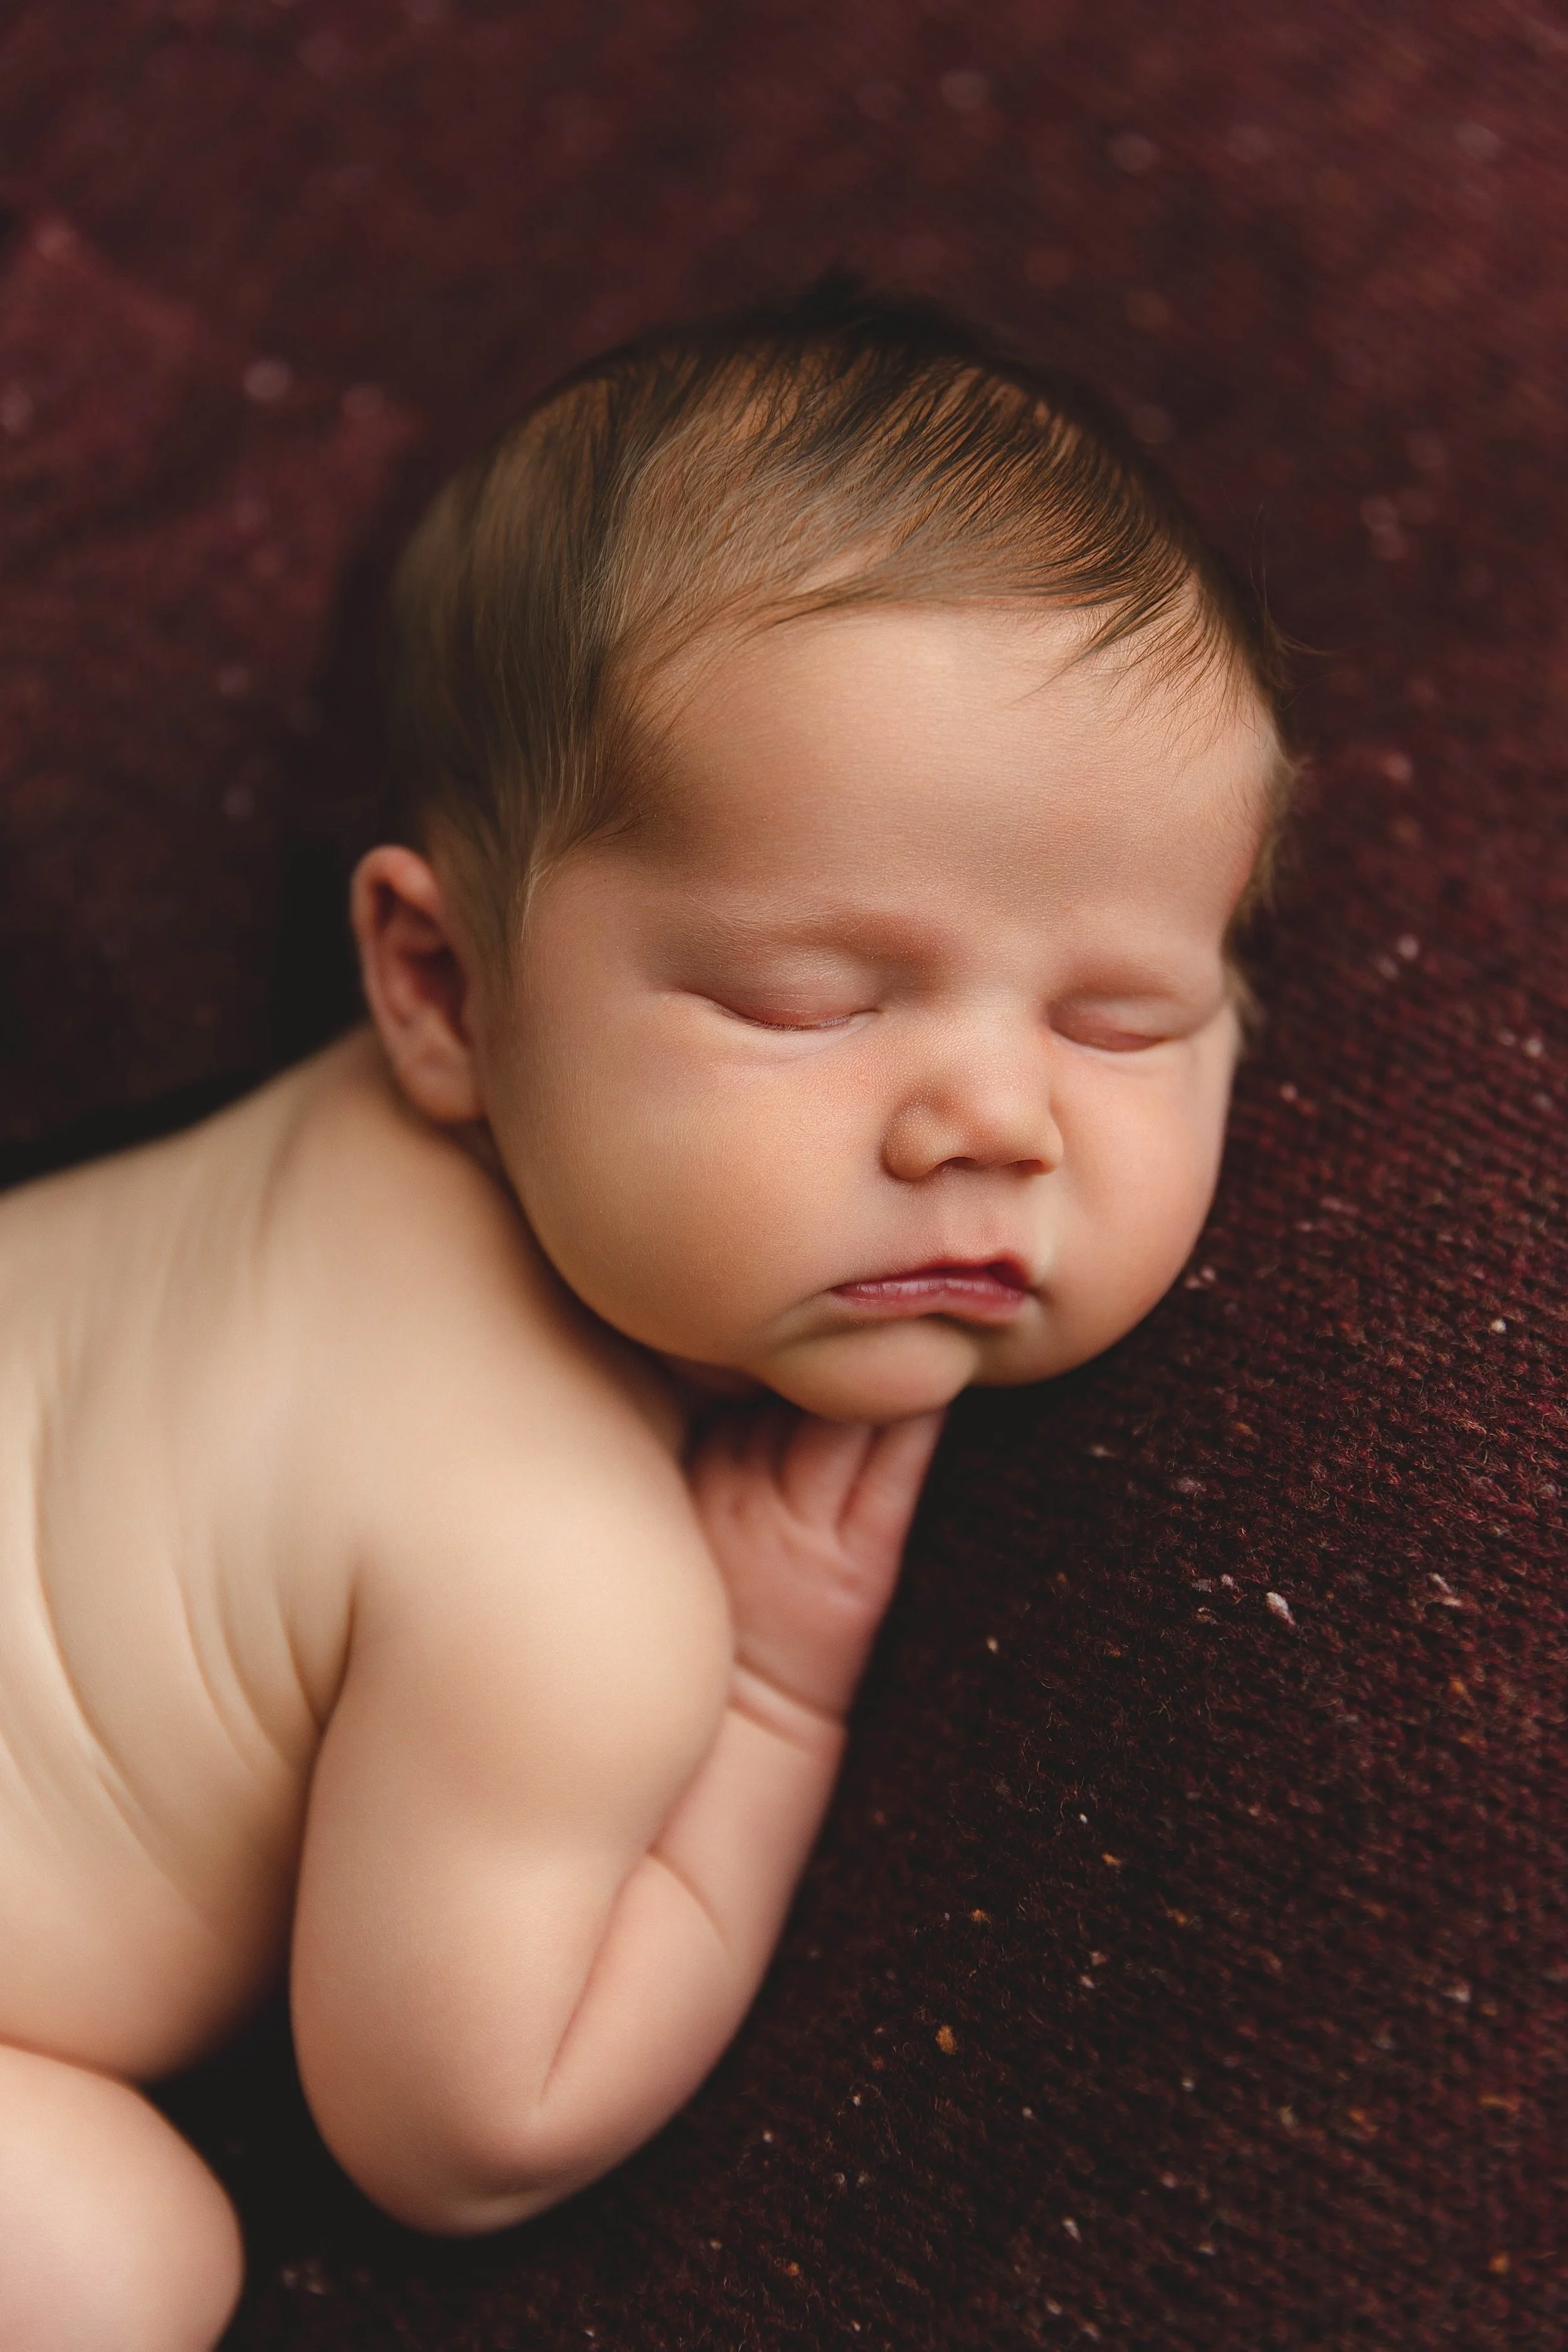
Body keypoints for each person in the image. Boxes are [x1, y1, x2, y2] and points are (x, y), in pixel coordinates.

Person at [0, 283, 1291, 2348]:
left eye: (1125, 1012)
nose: (990, 1115)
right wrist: (767, 1690)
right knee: (109, 2256)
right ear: (437, 985)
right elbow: (463, 2124)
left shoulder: (324, 1146)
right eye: (809, 1002)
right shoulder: (553, 1573)